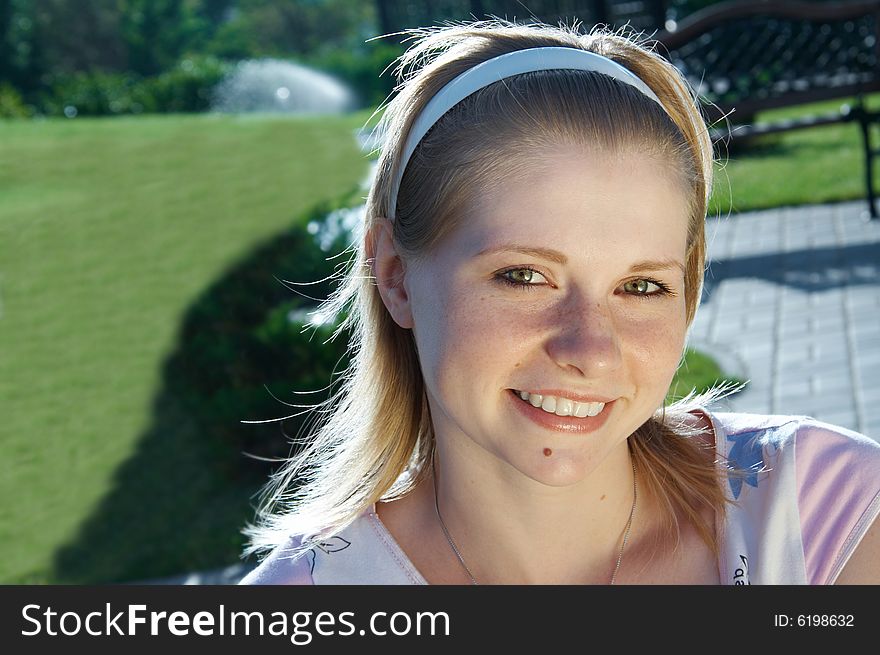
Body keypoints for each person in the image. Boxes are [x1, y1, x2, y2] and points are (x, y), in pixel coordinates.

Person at [239, 20, 880, 585]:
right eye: (524, 277)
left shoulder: (827, 518)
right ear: (396, 276)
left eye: (642, 287)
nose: (591, 352)